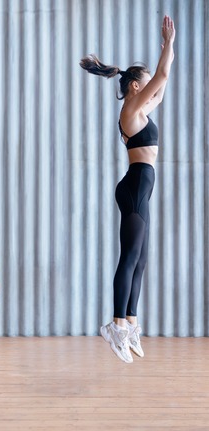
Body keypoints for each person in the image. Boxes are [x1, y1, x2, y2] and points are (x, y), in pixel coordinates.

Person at [80, 15, 175, 363]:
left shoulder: (142, 107)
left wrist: (167, 49)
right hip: (135, 188)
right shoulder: (131, 108)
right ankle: (116, 323)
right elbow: (162, 78)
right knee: (130, 257)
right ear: (135, 86)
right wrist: (169, 44)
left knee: (141, 260)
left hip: (140, 189)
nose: (151, 88)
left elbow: (162, 86)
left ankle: (131, 321)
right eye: (145, 83)